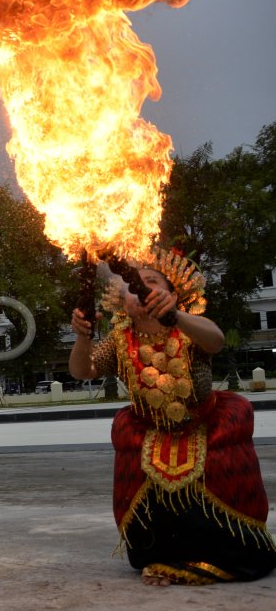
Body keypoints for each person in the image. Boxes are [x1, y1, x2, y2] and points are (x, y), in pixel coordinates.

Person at [69, 248, 276, 586]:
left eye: (151, 282)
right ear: (123, 302)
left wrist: (175, 317)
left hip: (205, 426)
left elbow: (217, 340)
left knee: (217, 496)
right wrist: (81, 336)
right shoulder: (120, 340)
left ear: (173, 294)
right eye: (132, 285)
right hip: (151, 431)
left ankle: (219, 558)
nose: (139, 287)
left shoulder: (189, 327)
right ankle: (166, 557)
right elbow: (83, 370)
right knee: (152, 512)